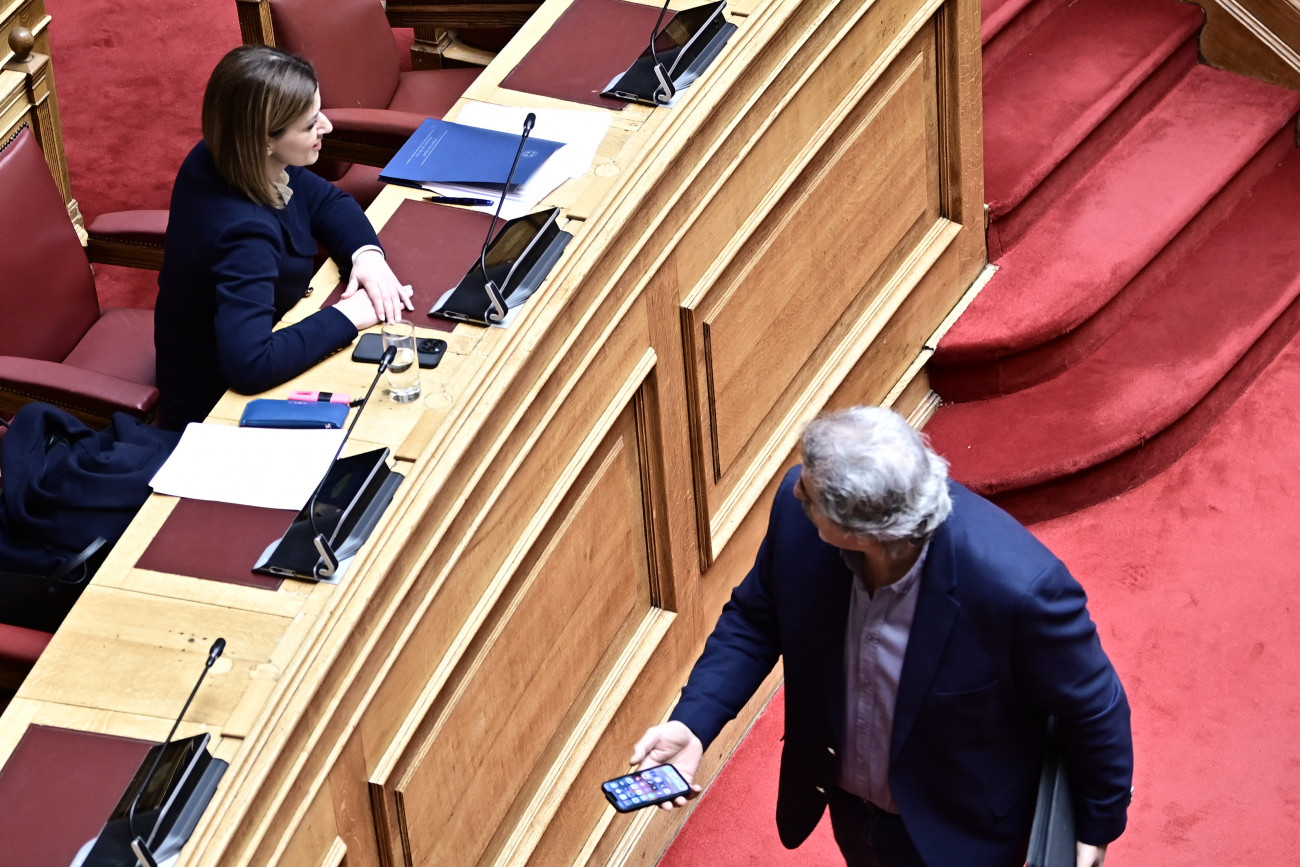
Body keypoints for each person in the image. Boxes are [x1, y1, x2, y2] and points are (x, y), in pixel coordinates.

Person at [631, 406, 1133, 867]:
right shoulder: (797, 514)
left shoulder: (1019, 588)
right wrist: (695, 722)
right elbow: (756, 619)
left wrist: (1096, 825)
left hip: (957, 830)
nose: (798, 491)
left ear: (865, 534)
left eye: (812, 498)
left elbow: (1094, 705)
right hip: (849, 806)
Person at [154, 45, 414, 430]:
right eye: (309, 125)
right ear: (265, 140)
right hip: (216, 407)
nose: (326, 127)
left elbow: (327, 201)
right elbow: (250, 365)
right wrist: (348, 316)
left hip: (256, 334)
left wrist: (367, 256)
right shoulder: (244, 234)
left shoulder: (230, 152)